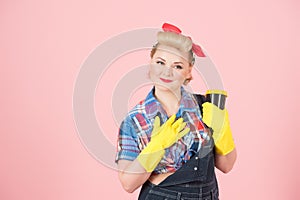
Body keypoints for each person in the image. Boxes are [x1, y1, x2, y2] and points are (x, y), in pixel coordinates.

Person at [115, 23, 237, 200]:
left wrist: (222, 132)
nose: (167, 71)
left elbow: (226, 166)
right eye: (160, 62)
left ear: (189, 72)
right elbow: (128, 184)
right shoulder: (135, 120)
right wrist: (156, 147)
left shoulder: (206, 107)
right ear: (151, 63)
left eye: (177, 66)